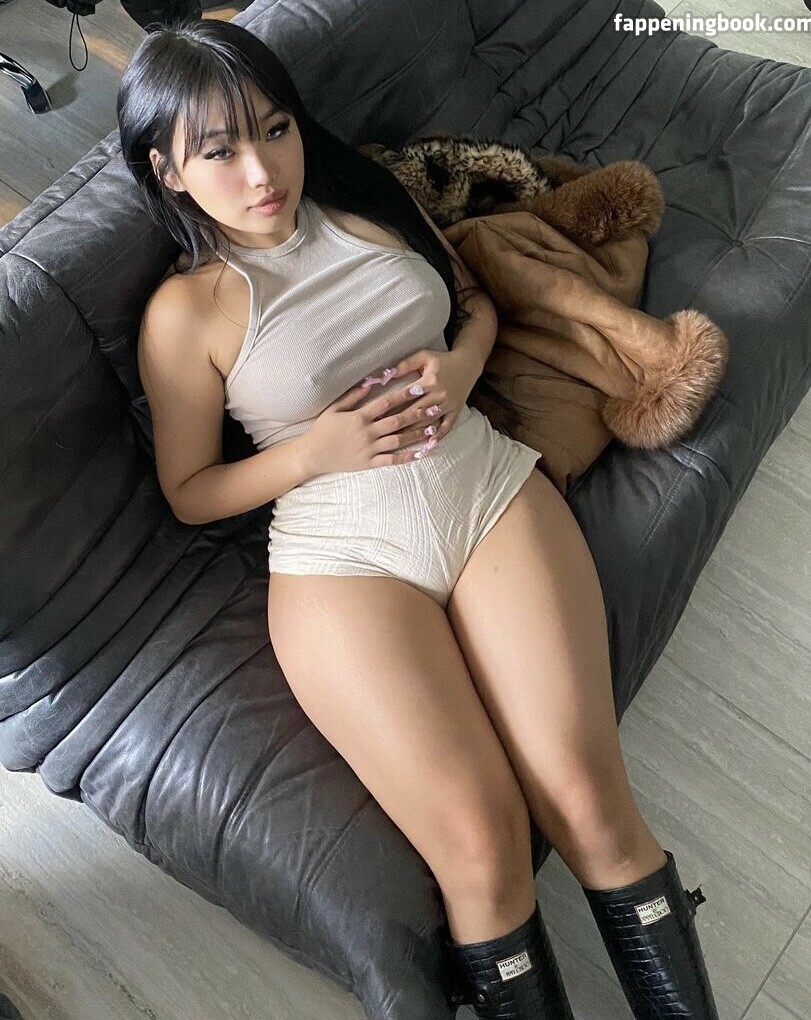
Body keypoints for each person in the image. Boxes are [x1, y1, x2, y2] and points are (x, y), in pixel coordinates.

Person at [118, 18, 721, 1019]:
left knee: (587, 797)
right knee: (483, 850)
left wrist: (462, 365)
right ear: (168, 171)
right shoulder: (186, 313)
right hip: (342, 560)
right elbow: (189, 490)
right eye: (219, 151)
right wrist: (313, 451)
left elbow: (472, 301)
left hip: (481, 490)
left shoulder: (362, 199)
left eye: (274, 129)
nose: (261, 171)